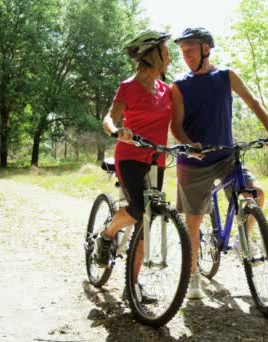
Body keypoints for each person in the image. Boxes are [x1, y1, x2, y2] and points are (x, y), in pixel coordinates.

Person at [170, 27, 268, 300]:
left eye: (190, 50)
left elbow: (253, 102)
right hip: (193, 162)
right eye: (182, 52)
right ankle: (193, 275)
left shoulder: (226, 76)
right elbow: (175, 125)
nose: (185, 56)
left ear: (206, 48)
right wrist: (189, 144)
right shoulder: (179, 85)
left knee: (257, 194)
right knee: (194, 220)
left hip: (225, 156)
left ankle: (241, 238)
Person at [96, 30, 173, 303]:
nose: (171, 59)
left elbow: (179, 124)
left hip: (157, 159)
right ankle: (106, 235)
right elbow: (109, 118)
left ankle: (133, 286)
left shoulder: (167, 90)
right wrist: (117, 131)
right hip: (129, 156)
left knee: (148, 220)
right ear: (153, 56)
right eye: (166, 53)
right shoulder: (128, 86)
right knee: (140, 210)